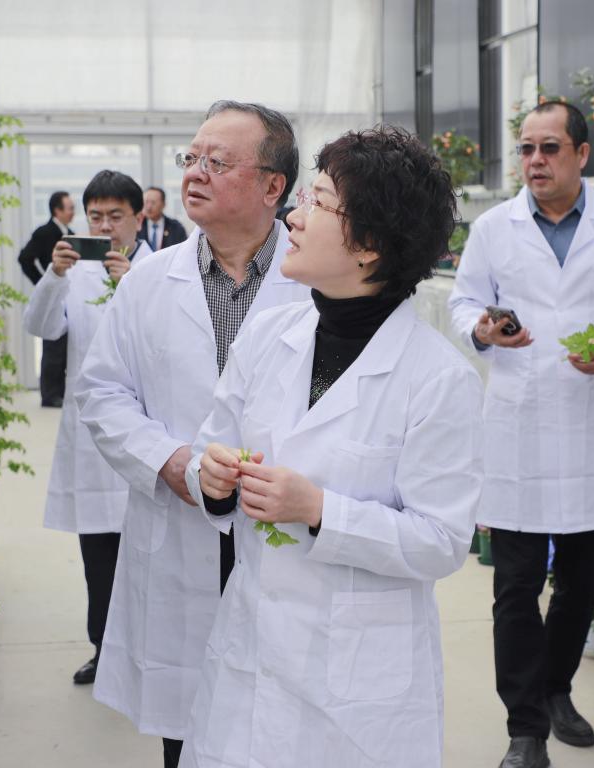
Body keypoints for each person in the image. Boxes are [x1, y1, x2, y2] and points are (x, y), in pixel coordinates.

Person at [180, 126, 483, 768]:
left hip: (358, 683)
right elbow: (214, 445)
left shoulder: (437, 378)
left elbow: (441, 541)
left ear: (370, 245)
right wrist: (214, 479)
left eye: (318, 203)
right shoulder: (270, 335)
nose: (294, 216)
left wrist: (320, 510)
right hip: (253, 651)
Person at [76, 101, 309, 768]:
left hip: (283, 526)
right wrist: (172, 462)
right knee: (187, 728)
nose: (195, 173)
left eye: (218, 161)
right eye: (192, 158)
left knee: (282, 724)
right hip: (181, 525)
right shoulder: (149, 280)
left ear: (273, 186)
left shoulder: (316, 278)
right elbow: (102, 391)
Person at [448, 100, 594, 768]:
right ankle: (526, 729)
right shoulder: (495, 227)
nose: (535, 160)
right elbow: (463, 301)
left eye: (549, 148)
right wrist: (484, 328)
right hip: (519, 425)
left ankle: (556, 689)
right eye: (526, 149)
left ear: (581, 154)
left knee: (580, 580)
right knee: (514, 587)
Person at [23, 171, 151, 686]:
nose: (104, 227)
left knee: (150, 554)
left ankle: (147, 654)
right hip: (92, 440)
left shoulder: (158, 271)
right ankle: (103, 649)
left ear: (139, 218)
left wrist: (128, 285)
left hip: (147, 432)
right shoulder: (73, 275)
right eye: (95, 217)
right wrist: (54, 276)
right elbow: (41, 327)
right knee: (98, 555)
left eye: (115, 216)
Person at [19, 190, 75, 406]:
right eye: (69, 208)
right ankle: (49, 394)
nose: (73, 212)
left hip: (66, 295)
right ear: (57, 210)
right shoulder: (44, 232)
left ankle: (60, 392)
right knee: (52, 346)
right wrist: (44, 282)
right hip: (52, 294)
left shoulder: (70, 233)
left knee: (63, 346)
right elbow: (25, 258)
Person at [138, 186, 188, 251]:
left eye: (153, 202)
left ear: (163, 204)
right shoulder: (137, 226)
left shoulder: (176, 227)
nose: (149, 207)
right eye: (146, 202)